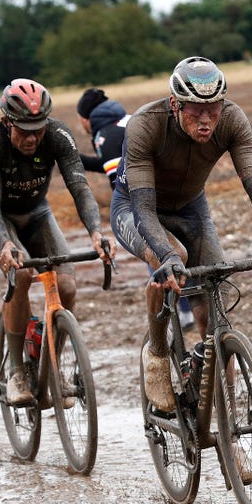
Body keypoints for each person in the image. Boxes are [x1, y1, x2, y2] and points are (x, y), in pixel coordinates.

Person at [111, 56, 252, 413]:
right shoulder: (145, 125)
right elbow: (144, 210)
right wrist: (166, 257)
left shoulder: (232, 120)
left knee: (214, 301)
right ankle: (156, 354)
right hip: (137, 207)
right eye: (196, 111)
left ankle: (227, 419)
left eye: (213, 110)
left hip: (191, 208)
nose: (206, 120)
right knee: (171, 257)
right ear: (174, 104)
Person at [0, 78, 115, 404]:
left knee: (67, 288)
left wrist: (96, 231)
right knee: (21, 275)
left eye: (38, 128)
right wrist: (3, 244)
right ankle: (17, 373)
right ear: (7, 122)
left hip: (37, 213)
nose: (33, 137)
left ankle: (51, 368)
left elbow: (80, 187)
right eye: (24, 130)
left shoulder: (57, 135)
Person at [78, 87, 196, 330]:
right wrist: (77, 160)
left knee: (152, 249)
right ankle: (188, 307)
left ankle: (181, 313)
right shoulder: (127, 120)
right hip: (171, 194)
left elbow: (120, 181)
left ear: (86, 119)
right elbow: (114, 163)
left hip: (144, 199)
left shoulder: (104, 135)